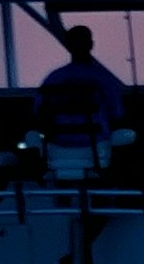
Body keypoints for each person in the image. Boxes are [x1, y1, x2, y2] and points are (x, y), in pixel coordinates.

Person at [34, 21, 128, 176]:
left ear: (68, 46)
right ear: (91, 44)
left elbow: (38, 111)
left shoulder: (54, 78)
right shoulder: (104, 78)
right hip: (96, 144)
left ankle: (63, 197)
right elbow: (118, 114)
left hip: (59, 143)